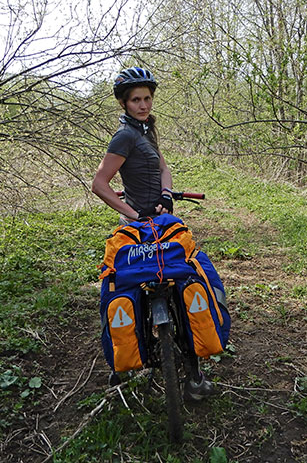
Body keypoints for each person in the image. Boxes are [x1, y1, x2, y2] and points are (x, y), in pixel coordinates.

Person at [91, 66, 214, 400]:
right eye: (135, 100)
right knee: (125, 283)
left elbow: (162, 167)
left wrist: (164, 195)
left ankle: (194, 363)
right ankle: (124, 356)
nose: (143, 105)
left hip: (160, 220)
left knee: (182, 277)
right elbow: (99, 184)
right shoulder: (125, 136)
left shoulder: (145, 130)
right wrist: (132, 215)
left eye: (147, 98)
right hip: (137, 224)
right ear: (124, 103)